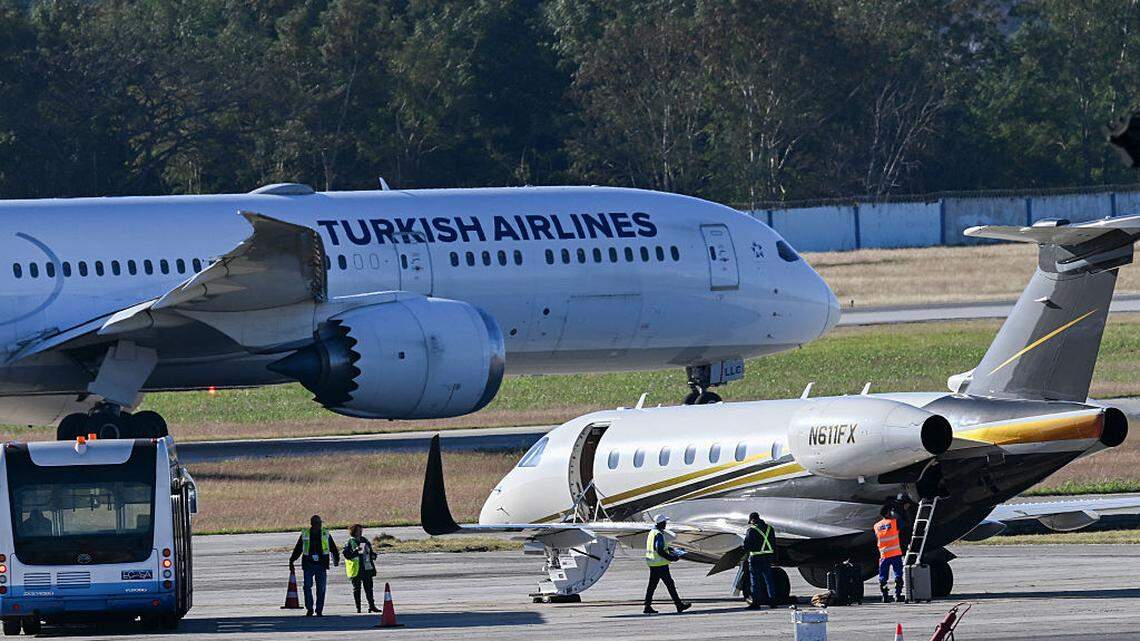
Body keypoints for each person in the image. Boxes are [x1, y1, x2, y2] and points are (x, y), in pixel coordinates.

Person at [289, 515, 340, 616]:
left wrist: (336, 559)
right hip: (308, 565)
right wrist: (292, 560)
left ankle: (319, 609)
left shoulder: (325, 534)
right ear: (312, 524)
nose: (320, 525)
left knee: (321, 588)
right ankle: (310, 608)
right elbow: (298, 548)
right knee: (307, 587)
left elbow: (333, 548)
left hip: (321, 565)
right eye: (318, 523)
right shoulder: (305, 534)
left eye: (320, 523)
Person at [643, 514, 691, 615]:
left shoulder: (652, 532)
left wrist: (670, 549)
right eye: (665, 522)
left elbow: (659, 548)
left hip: (653, 563)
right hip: (660, 564)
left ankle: (647, 606)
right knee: (670, 585)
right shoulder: (659, 534)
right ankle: (679, 605)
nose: (666, 524)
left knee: (652, 586)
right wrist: (672, 558)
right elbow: (659, 550)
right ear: (661, 523)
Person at [742, 512, 777, 609]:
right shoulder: (770, 529)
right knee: (769, 581)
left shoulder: (751, 530)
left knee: (755, 582)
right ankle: (773, 602)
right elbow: (774, 543)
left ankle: (756, 603)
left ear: (752, 520)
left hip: (755, 559)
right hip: (767, 558)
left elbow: (746, 546)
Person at [343, 524, 379, 613]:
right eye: (358, 530)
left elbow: (369, 551)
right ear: (354, 531)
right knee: (357, 589)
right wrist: (355, 551)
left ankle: (372, 606)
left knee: (369, 588)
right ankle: (358, 608)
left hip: (366, 568)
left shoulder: (365, 540)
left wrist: (373, 555)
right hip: (356, 569)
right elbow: (346, 555)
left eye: (361, 530)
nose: (360, 532)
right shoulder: (350, 542)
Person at [874, 504, 904, 603]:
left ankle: (885, 595)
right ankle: (897, 594)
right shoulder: (894, 522)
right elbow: (903, 523)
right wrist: (900, 509)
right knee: (898, 575)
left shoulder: (877, 526)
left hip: (883, 555)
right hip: (895, 553)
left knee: (883, 577)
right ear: (888, 512)